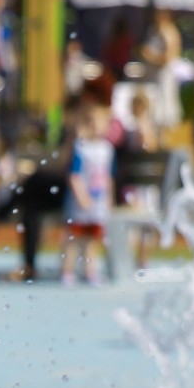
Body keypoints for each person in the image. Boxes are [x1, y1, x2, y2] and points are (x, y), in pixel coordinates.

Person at [60, 91, 113, 286]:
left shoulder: (107, 150)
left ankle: (90, 271)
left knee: (92, 241)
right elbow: (74, 175)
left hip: (98, 203)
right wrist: (81, 196)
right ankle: (67, 270)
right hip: (79, 203)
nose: (95, 126)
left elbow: (108, 178)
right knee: (73, 238)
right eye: (90, 121)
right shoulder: (80, 147)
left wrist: (109, 200)